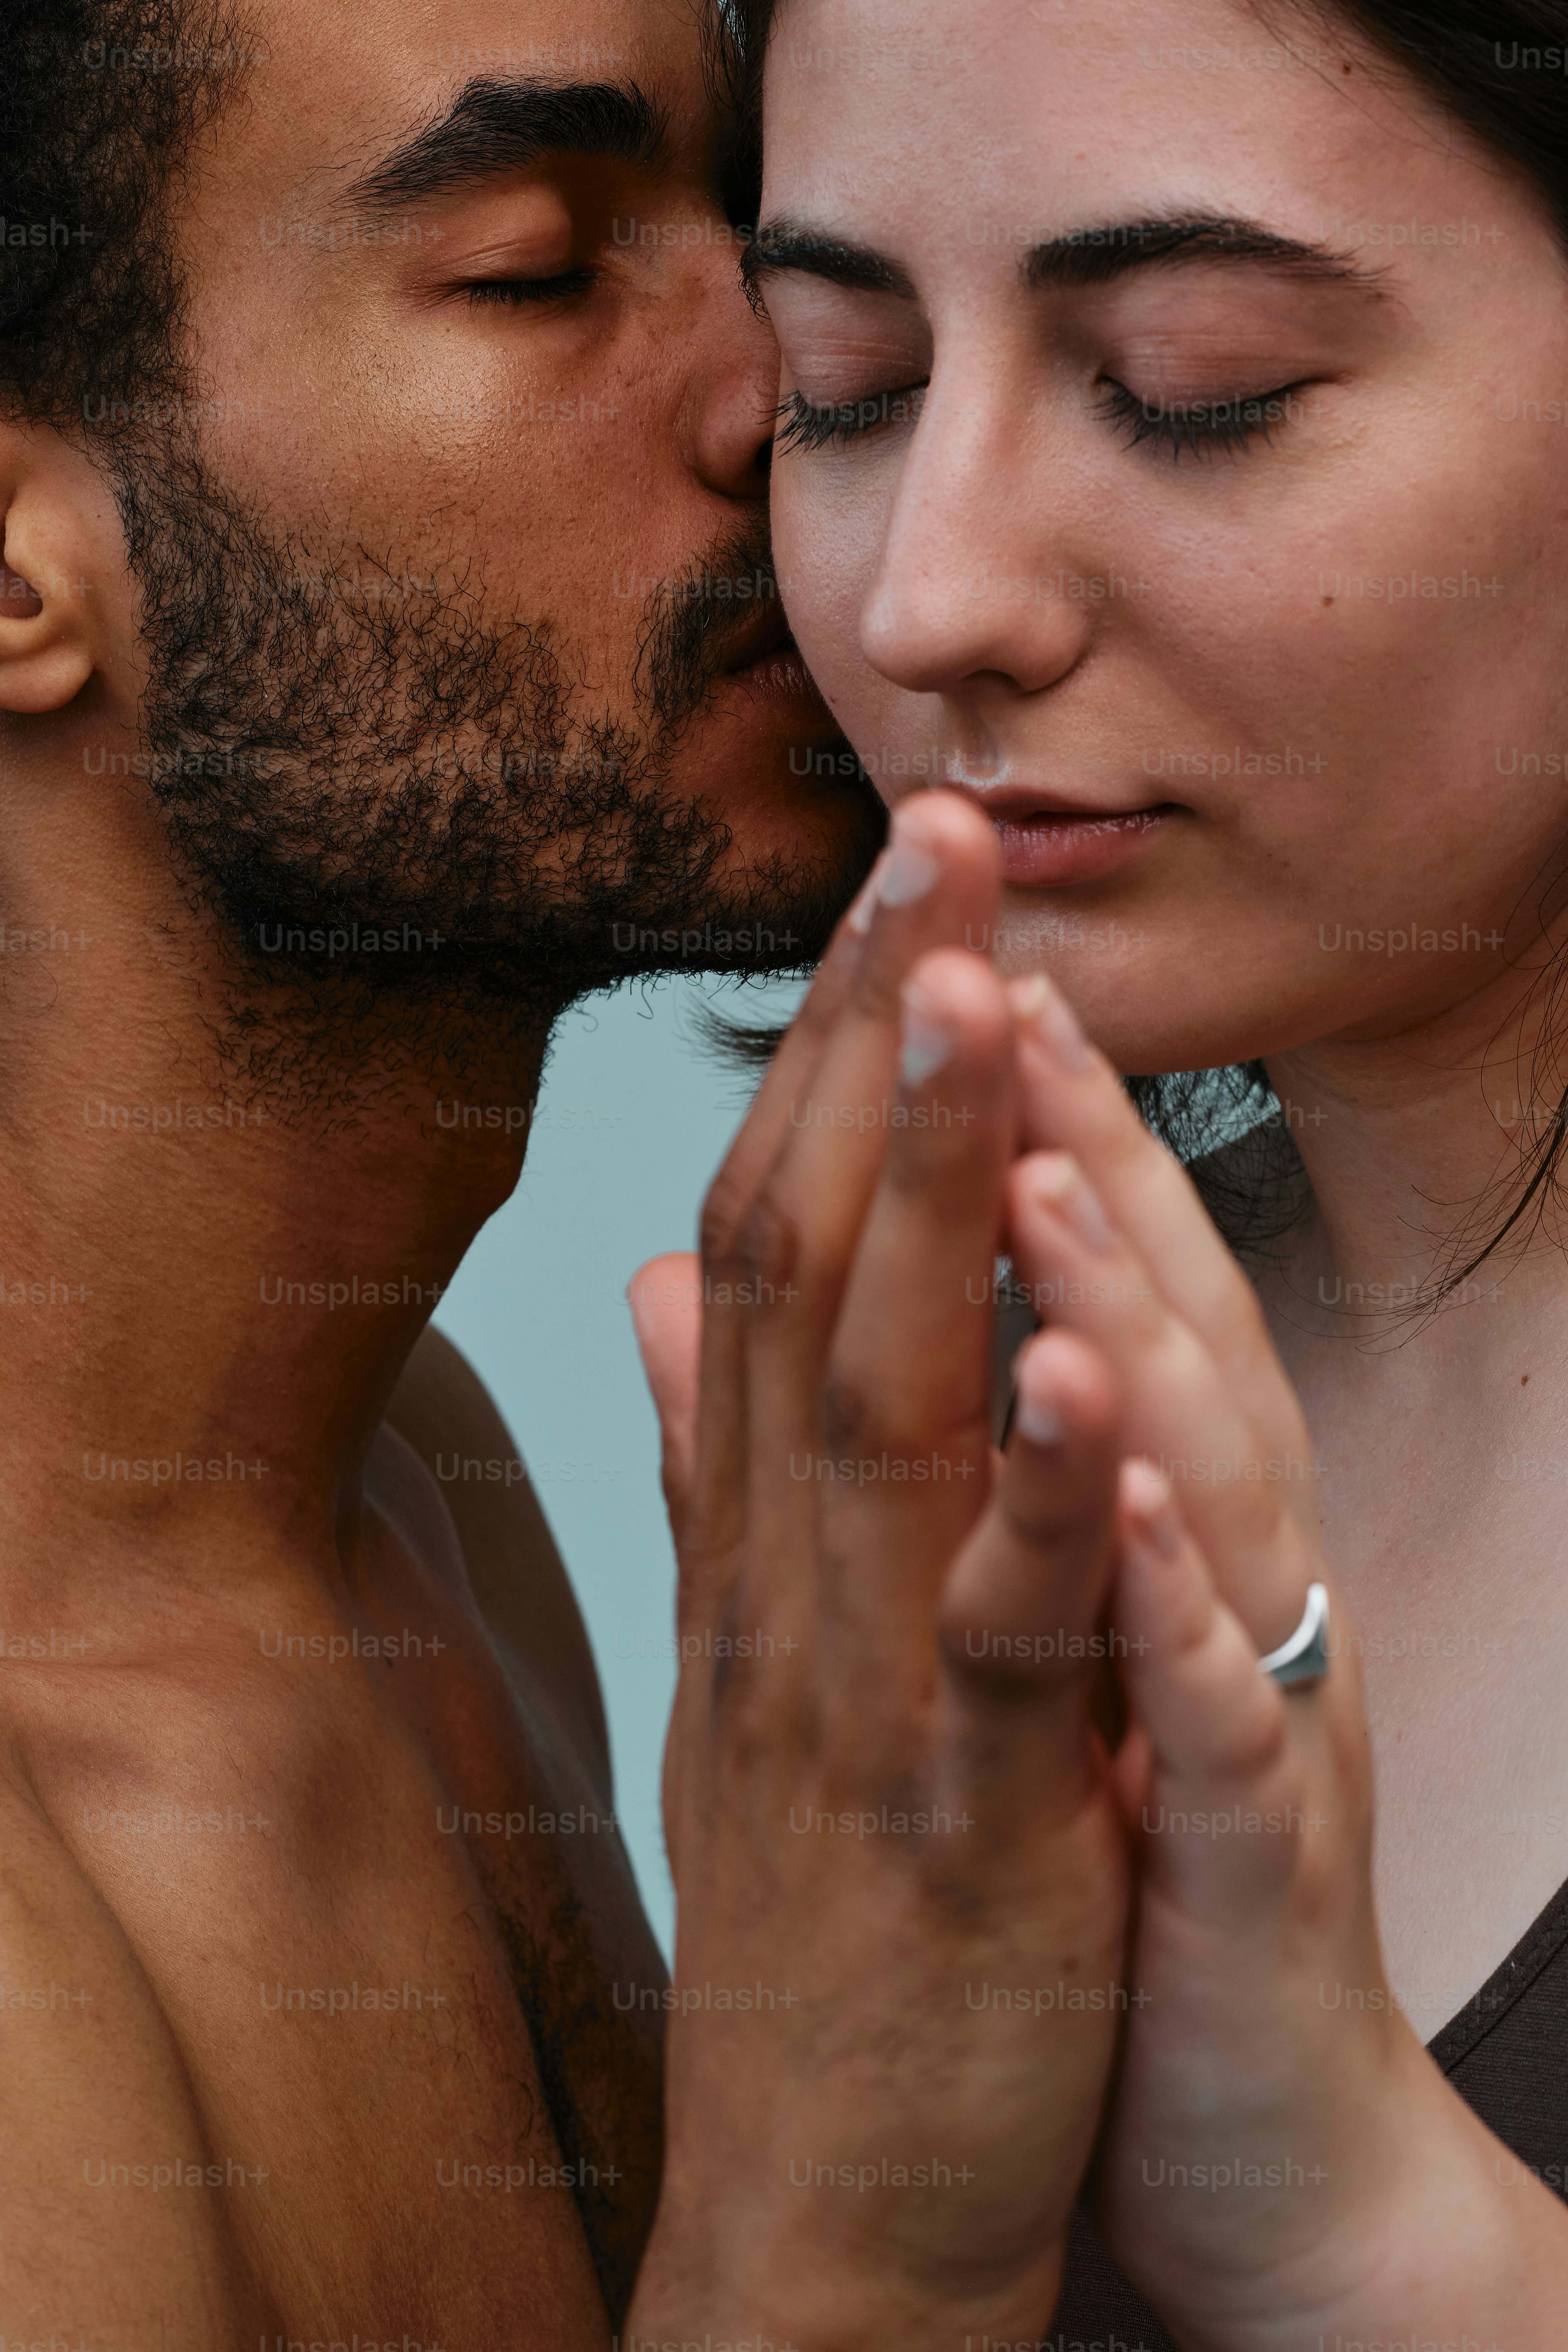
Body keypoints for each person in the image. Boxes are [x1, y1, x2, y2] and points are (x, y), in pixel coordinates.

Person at [0, 0, 1165, 2342]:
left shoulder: (393, 1473)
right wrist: (840, 2241)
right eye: (539, 270)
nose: (799, 388)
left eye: (754, 235)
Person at [633, 0, 1568, 2341]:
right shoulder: (970, 1443)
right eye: (842, 385)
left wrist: (1369, 2232)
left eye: (1193, 382)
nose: (926, 598)